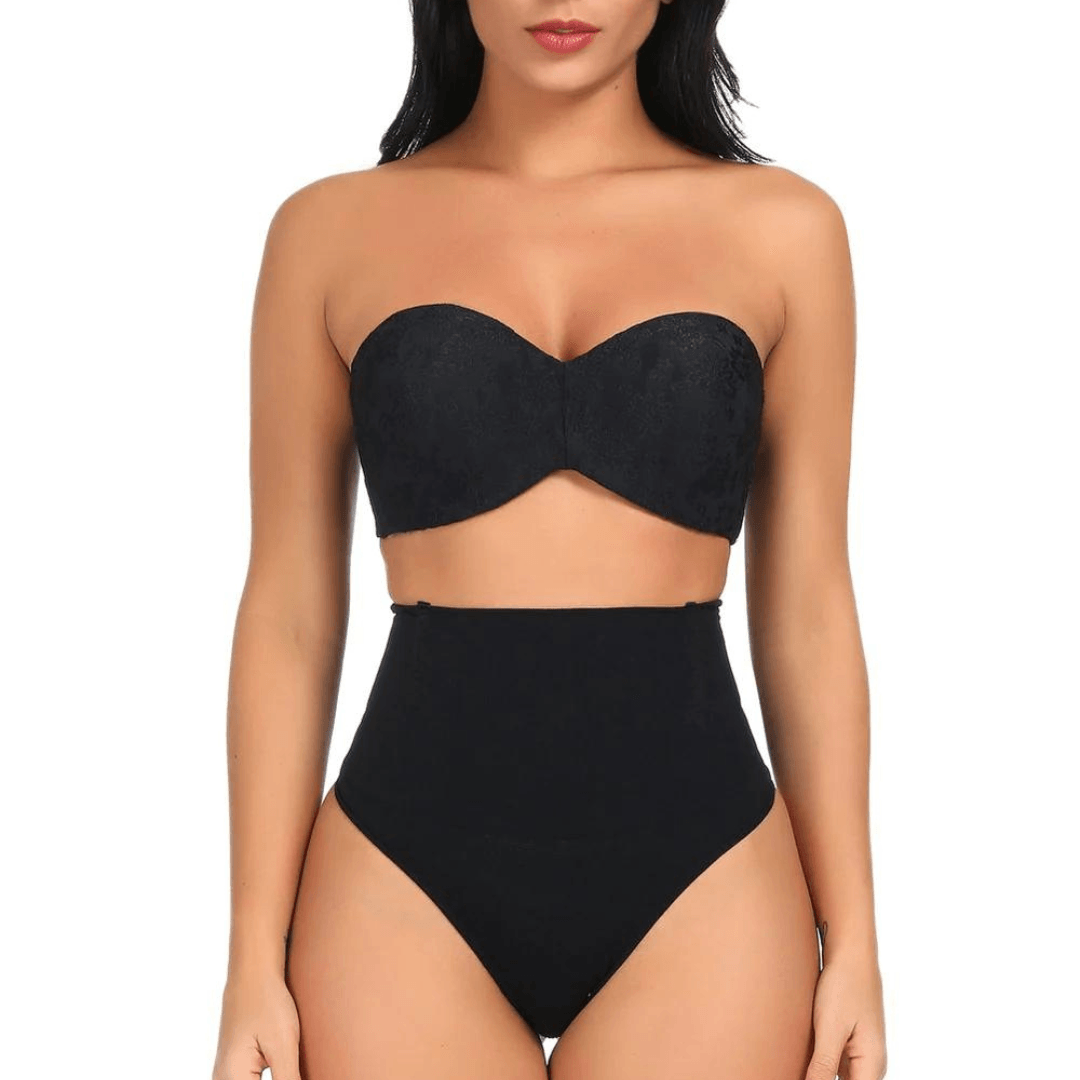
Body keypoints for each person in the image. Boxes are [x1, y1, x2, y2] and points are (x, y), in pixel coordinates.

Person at [212, 2, 886, 1079]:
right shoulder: (328, 230)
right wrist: (252, 951)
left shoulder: (786, 229)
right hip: (397, 879)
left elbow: (809, 604)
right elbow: (289, 608)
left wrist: (855, 941)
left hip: (707, 877)